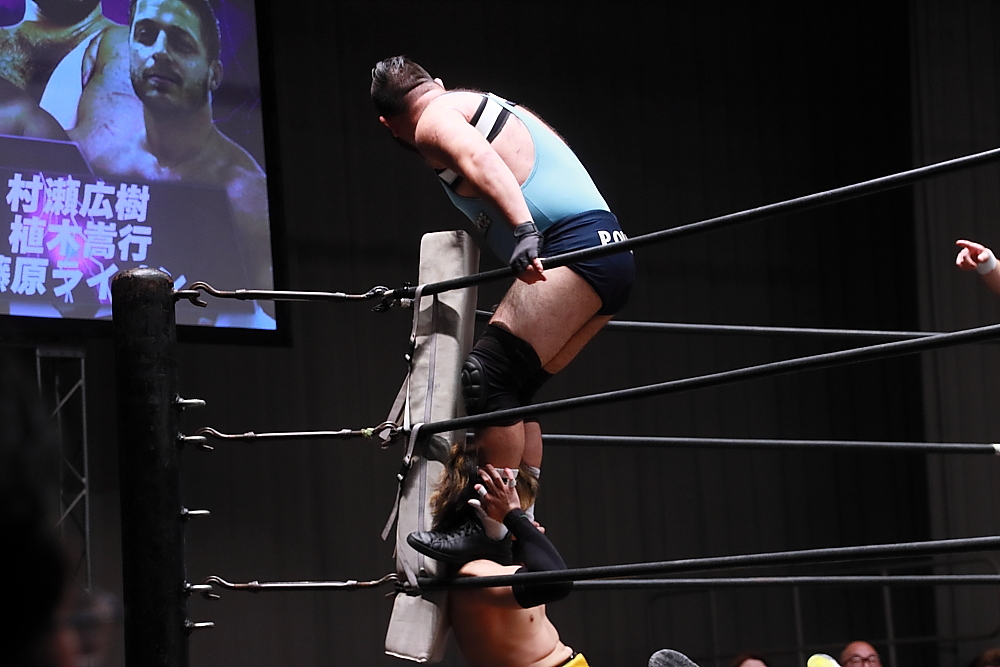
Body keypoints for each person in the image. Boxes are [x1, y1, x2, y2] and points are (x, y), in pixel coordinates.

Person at [371, 55, 635, 564]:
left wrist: (524, 231)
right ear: (435, 82)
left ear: (388, 124)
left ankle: (486, 528)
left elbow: (480, 159)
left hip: (571, 247)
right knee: (515, 392)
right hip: (610, 252)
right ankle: (519, 519)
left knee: (487, 376)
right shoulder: (488, 104)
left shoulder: (434, 120)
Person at [69, 0, 273, 299]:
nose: (159, 52)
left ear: (214, 75)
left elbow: (269, 313)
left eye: (181, 44)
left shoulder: (247, 195)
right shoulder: (106, 165)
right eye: (145, 36)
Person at [448, 462, 586, 667]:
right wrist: (513, 517)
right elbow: (556, 582)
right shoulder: (474, 573)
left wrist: (520, 529)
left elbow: (531, 458)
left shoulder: (501, 565)